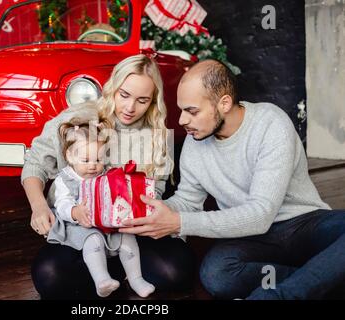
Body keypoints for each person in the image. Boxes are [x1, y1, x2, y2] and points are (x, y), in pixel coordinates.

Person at [120, 59, 345, 300]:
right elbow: (188, 200)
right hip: (250, 238)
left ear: (224, 103)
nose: (183, 120)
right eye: (182, 110)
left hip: (303, 225)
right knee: (217, 274)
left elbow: (260, 214)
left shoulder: (270, 123)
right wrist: (162, 211)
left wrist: (178, 222)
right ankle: (325, 279)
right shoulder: (195, 142)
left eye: (192, 111)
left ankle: (280, 295)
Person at [21, 54, 196, 299]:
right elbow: (35, 163)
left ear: (152, 102)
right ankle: (108, 270)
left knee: (175, 272)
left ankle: (117, 268)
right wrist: (39, 206)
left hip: (130, 230)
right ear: (112, 86)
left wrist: (140, 213)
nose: (130, 107)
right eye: (124, 95)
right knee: (49, 277)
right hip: (81, 228)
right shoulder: (79, 119)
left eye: (142, 100)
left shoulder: (156, 134)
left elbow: (154, 192)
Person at [46, 117, 155, 298]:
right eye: (86, 160)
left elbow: (114, 193)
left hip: (105, 221)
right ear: (69, 156)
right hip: (80, 225)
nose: (93, 165)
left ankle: (136, 279)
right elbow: (62, 203)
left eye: (98, 159)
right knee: (93, 239)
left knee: (127, 238)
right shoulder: (65, 179)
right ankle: (102, 280)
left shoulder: (105, 174)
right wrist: (74, 212)